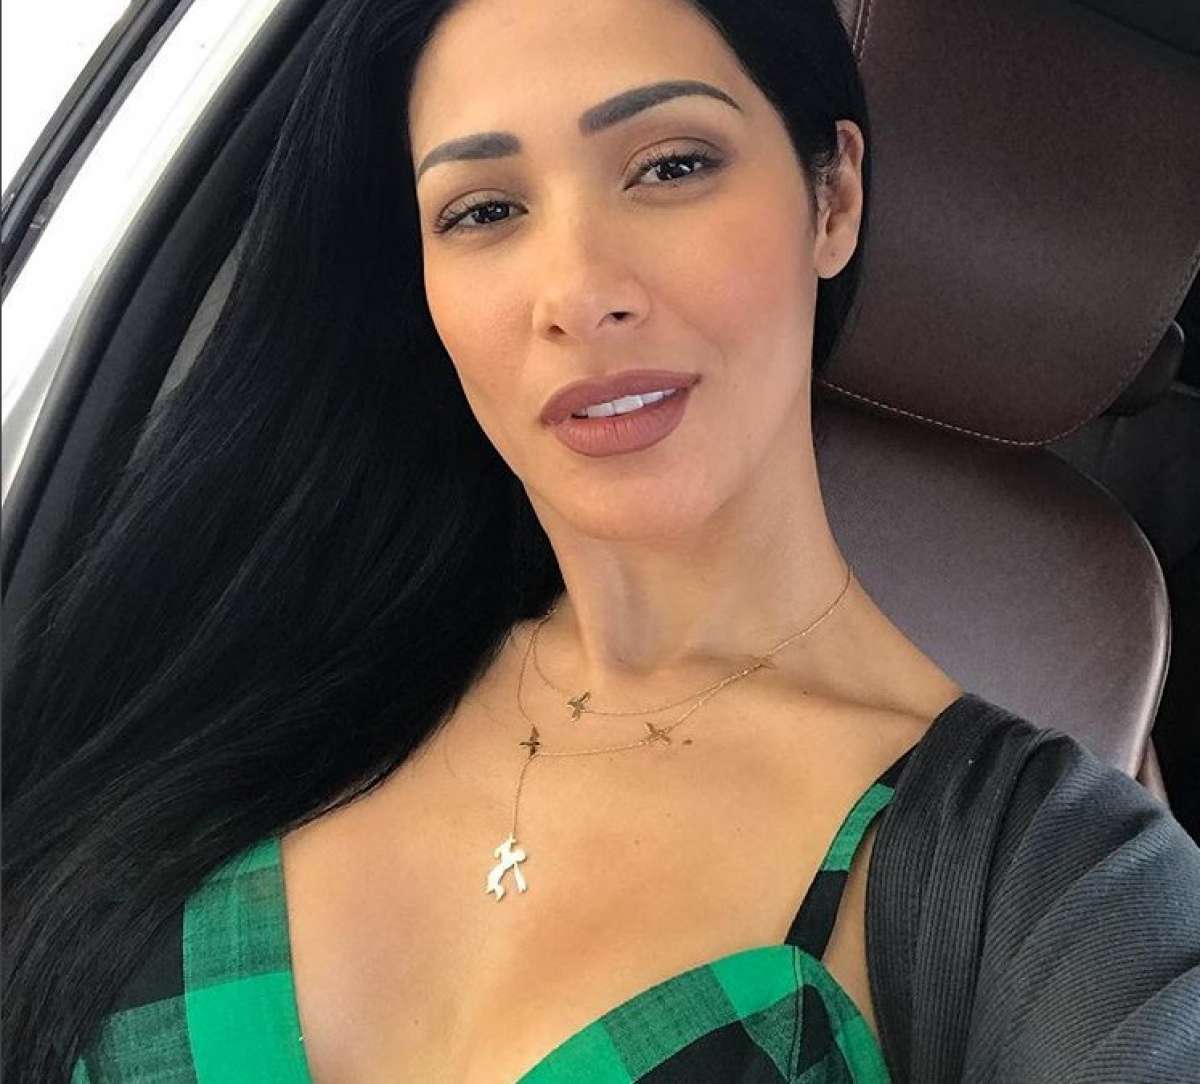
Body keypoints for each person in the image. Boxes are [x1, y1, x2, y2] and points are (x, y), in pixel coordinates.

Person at [4, 0, 1198, 1081]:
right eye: (484, 210)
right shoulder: (263, 645)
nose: (578, 292)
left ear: (832, 198)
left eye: (670, 165)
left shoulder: (1064, 888)